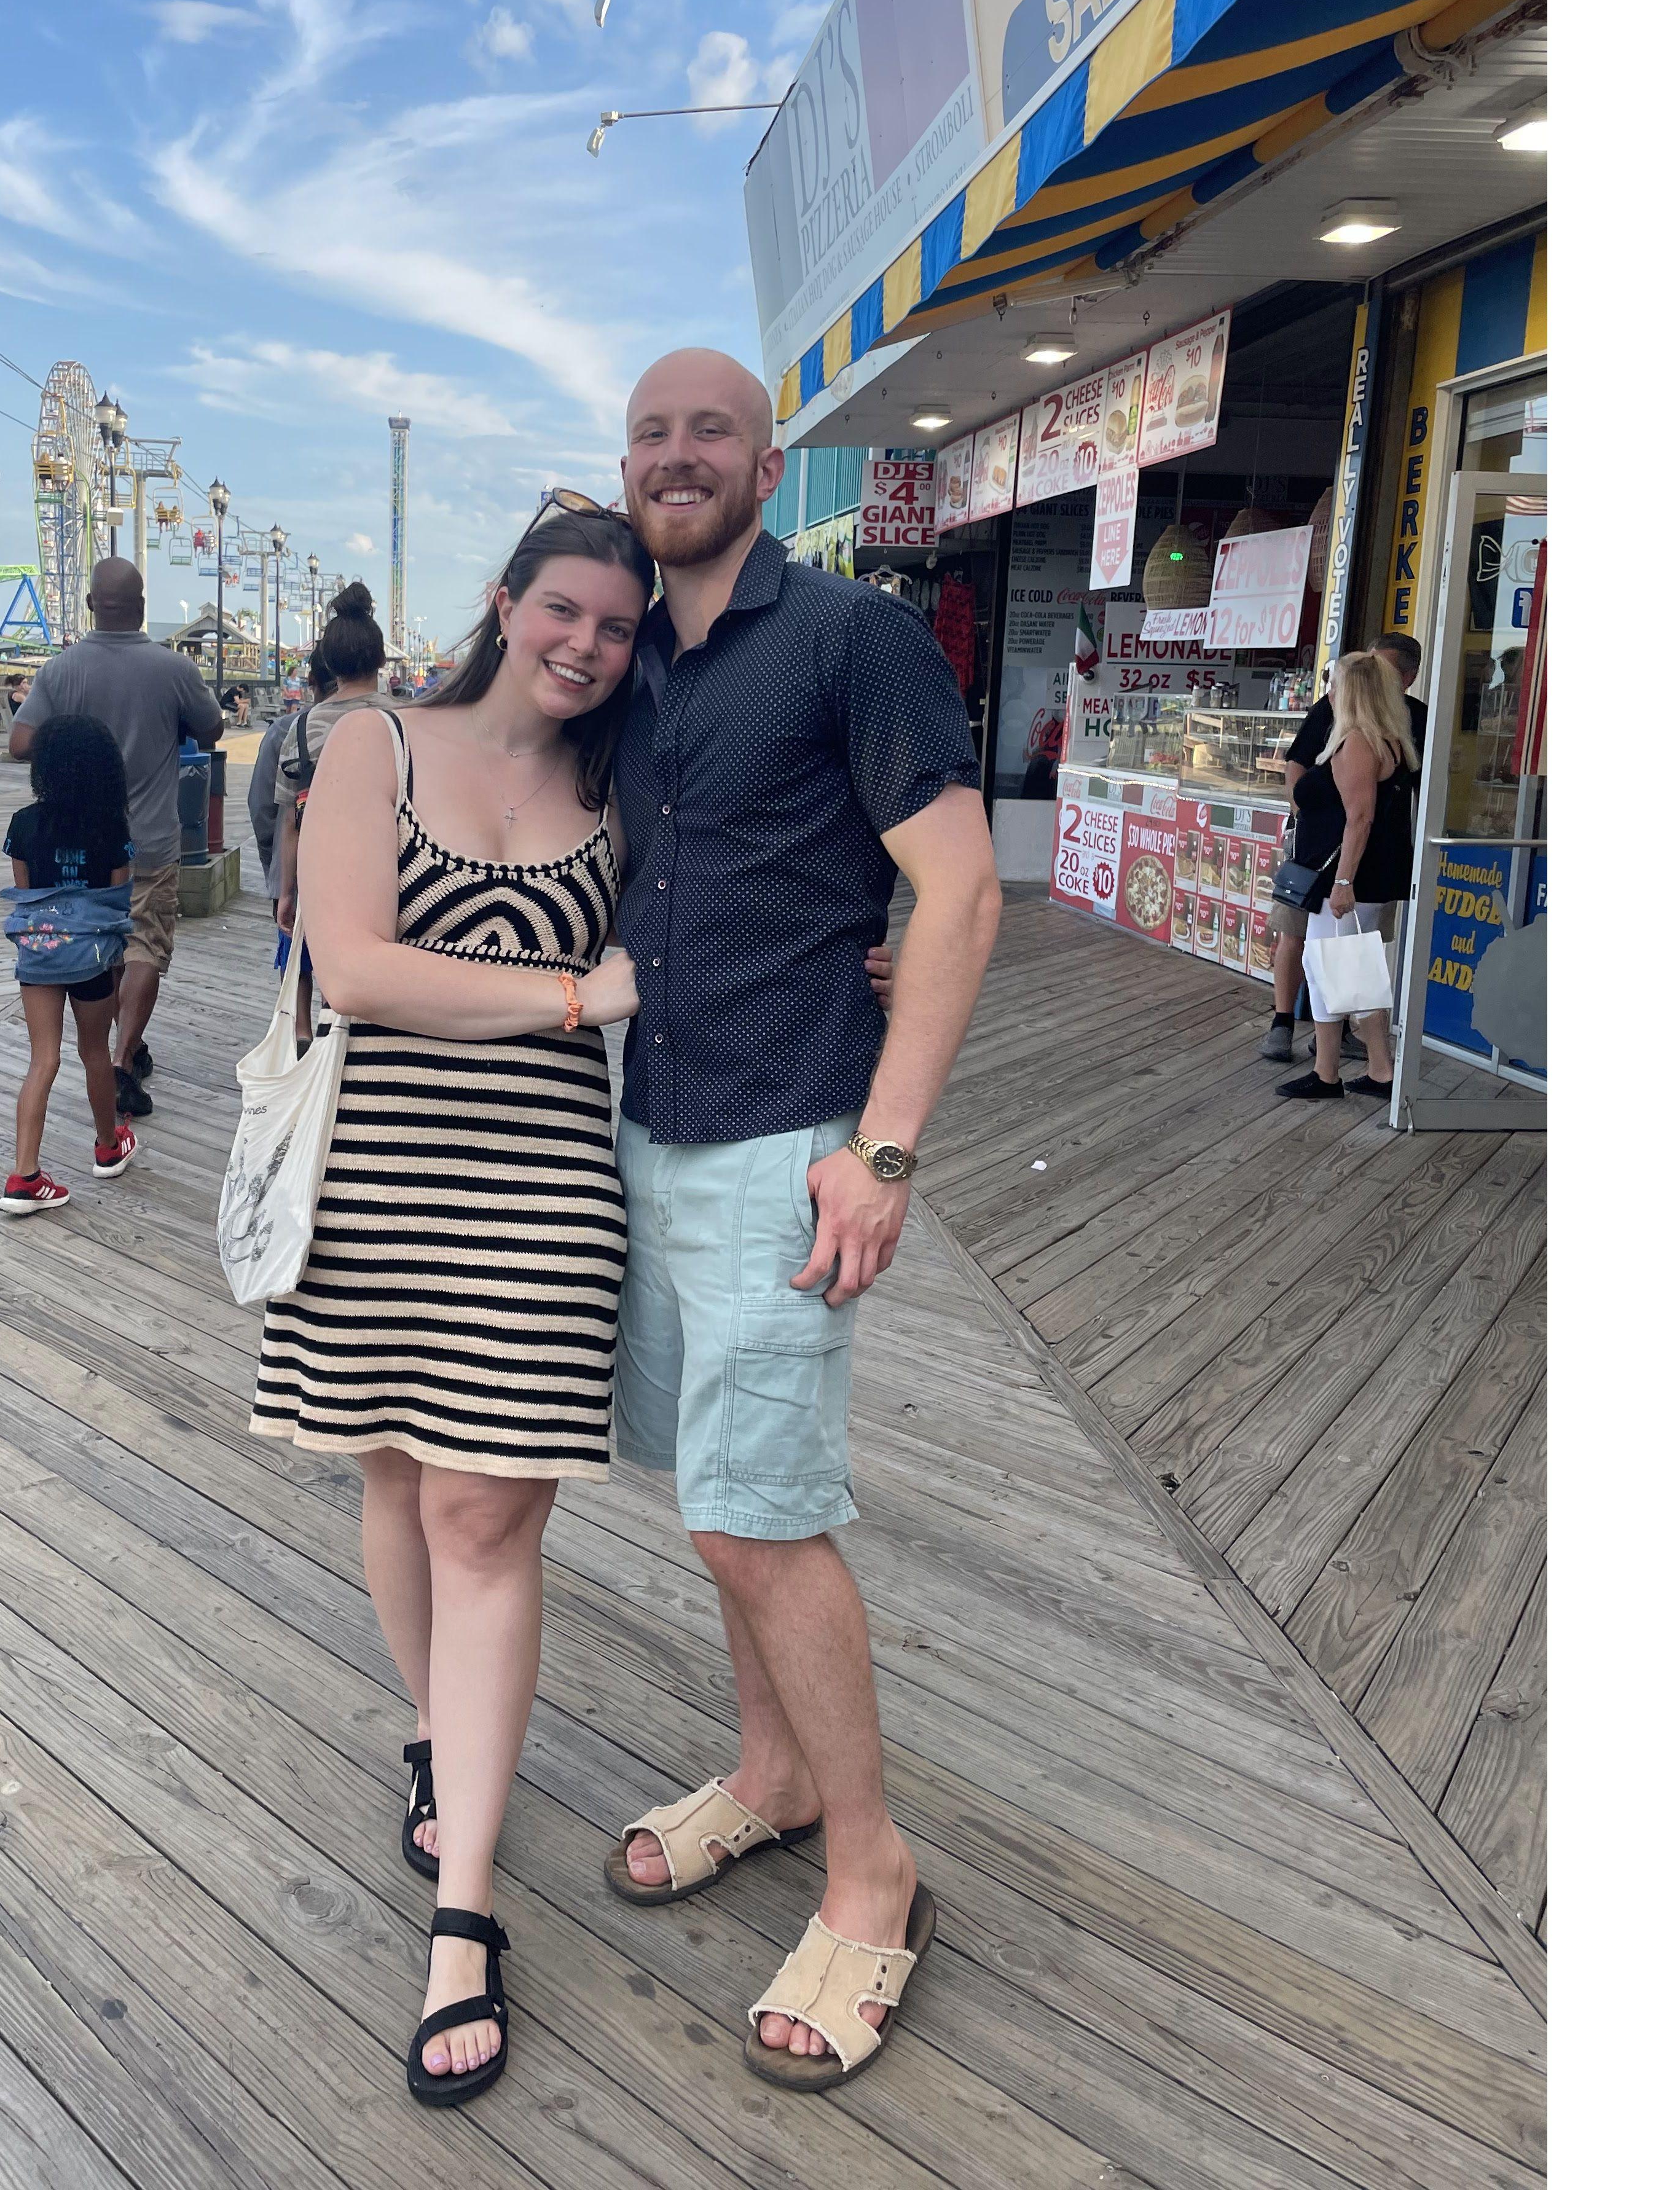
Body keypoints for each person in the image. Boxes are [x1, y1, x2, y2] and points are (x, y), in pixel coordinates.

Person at [603, 351, 1000, 2091]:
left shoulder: (851, 636)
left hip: (790, 1143)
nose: (677, 456)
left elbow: (964, 888)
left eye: (710, 432)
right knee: (713, 1498)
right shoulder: (618, 653)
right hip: (648, 1126)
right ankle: (770, 1780)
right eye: (650, 434)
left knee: (767, 1518)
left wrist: (886, 1150)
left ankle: (872, 1868)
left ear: (770, 464)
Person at [247, 501, 654, 2106]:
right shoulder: (376, 749)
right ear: (507, 602)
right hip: (364, 1191)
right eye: (564, 611)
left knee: (488, 1520)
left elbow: (714, 925)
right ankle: (435, 1732)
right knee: (397, 1480)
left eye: (618, 629)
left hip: (543, 1201)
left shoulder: (622, 787)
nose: (587, 646)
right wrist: (575, 992)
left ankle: (465, 1913)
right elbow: (351, 966)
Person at [9, 557, 222, 1119]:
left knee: (103, 939)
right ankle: (122, 1059)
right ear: (143, 609)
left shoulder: (61, 670)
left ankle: (116, 1045)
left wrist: (74, 737)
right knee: (147, 945)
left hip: (79, 841)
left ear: (90, 606)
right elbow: (214, 728)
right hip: (150, 837)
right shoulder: (173, 668)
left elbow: (19, 742)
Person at [0, 714, 138, 1211]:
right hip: (94, 956)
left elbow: (29, 895)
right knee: (95, 1052)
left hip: (39, 952)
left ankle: (24, 1176)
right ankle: (107, 1146)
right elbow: (119, 900)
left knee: (44, 1059)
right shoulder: (113, 826)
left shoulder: (23, 824)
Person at [1263, 632, 1425, 1062]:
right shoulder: (1371, 733)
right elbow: (1302, 770)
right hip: (1333, 869)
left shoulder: (1362, 741)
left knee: (1345, 971)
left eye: (1337, 684)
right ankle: (1338, 1066)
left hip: (1343, 874)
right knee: (1338, 970)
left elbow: (1361, 817)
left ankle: (1365, 1069)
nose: (1330, 692)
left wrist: (1344, 881)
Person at [272, 583, 388, 942]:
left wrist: (287, 891)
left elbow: (292, 822)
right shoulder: (412, 721)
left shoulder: (303, 728)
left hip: (324, 878)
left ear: (331, 664)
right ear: (381, 660)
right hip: (396, 876)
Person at [250, 653, 327, 923]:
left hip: (297, 877)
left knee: (297, 963)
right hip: (379, 881)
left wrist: (275, 869)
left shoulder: (286, 729)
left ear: (312, 681)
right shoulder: (395, 722)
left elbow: (262, 809)